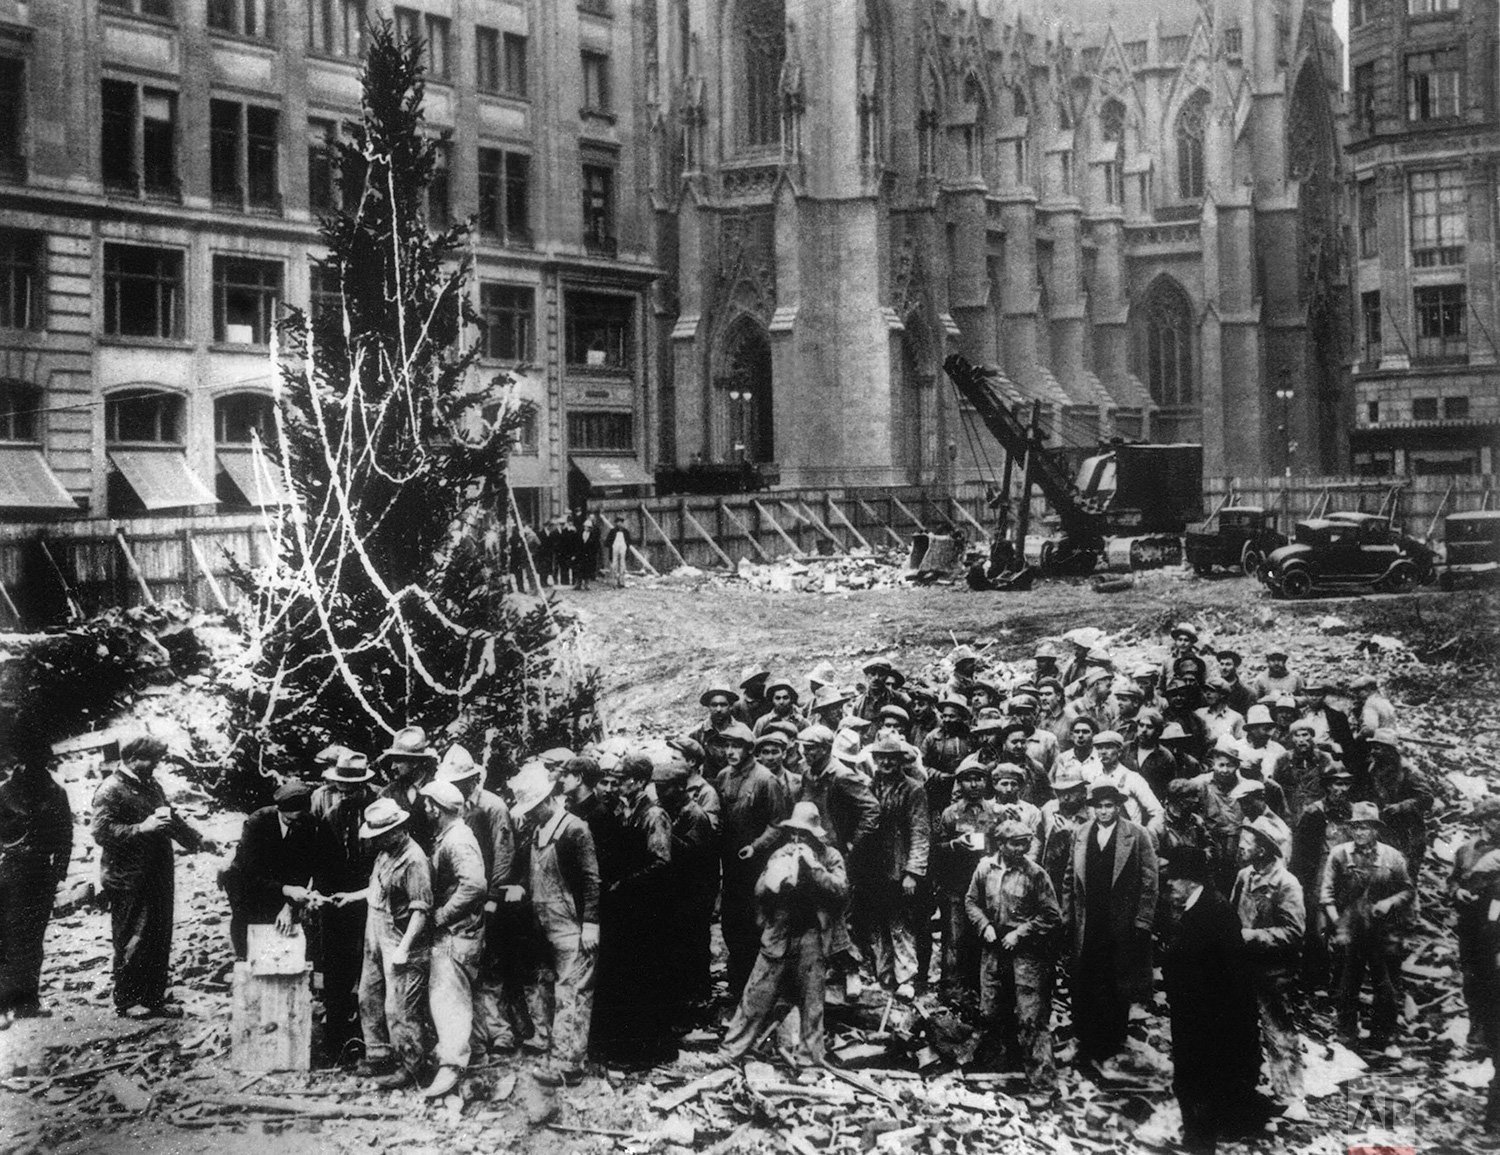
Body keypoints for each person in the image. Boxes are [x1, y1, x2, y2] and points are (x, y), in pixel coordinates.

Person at [92, 733, 212, 1019]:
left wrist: (196, 840)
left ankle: (153, 997)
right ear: (132, 759)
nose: (155, 765)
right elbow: (101, 832)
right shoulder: (109, 790)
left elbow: (169, 818)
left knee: (159, 936)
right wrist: (140, 828)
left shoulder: (150, 785)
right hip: (128, 878)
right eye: (150, 760)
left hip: (158, 874)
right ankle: (127, 1000)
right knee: (133, 938)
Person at [719, 802, 849, 1066]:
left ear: (815, 834)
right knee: (755, 995)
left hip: (812, 933)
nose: (798, 839)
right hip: (780, 930)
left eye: (804, 835)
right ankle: (730, 1051)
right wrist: (777, 875)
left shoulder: (829, 856)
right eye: (794, 834)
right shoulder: (781, 854)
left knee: (812, 1002)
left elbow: (841, 890)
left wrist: (814, 869)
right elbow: (759, 892)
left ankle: (809, 1059)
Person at [1160, 846, 1268, 1153]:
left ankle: (1199, 1139)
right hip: (1201, 1009)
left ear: (1191, 881)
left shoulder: (1211, 911)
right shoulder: (1204, 906)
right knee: (1201, 1073)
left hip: (1205, 1012)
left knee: (1197, 1074)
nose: (1169, 885)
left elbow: (1221, 970)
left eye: (1174, 880)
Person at [512, 760, 600, 1082]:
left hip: (572, 927)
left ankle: (568, 1065)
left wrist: (591, 923)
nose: (532, 814)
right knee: (556, 991)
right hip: (547, 925)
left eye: (535, 808)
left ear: (549, 799)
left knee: (573, 995)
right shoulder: (537, 832)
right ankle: (559, 1051)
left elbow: (592, 881)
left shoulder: (575, 829)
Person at [1062, 782, 1158, 1073]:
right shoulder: (1081, 833)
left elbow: (1150, 882)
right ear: (1092, 808)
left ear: (1118, 806)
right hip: (1087, 920)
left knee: (1116, 979)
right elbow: (1069, 877)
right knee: (1085, 976)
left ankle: (1113, 1040)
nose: (1104, 812)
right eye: (1099, 806)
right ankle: (1085, 1038)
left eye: (1109, 806)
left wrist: (1142, 920)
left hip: (1121, 922)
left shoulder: (1137, 835)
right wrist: (1068, 915)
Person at [434, 745, 522, 1059]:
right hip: (464, 900)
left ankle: (501, 1033)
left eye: (462, 782)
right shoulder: (453, 810)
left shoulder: (492, 806)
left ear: (473, 780)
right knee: (469, 968)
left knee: (492, 967)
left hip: (488, 899)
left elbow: (503, 856)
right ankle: (477, 1037)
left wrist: (494, 899)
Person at [965, 819, 1062, 1095]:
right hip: (994, 947)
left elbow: (1051, 915)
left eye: (1026, 842)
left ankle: (1043, 1085)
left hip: (1027, 953)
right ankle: (1002, 1071)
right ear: (1000, 845)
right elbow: (971, 901)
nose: (1022, 848)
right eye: (1015, 843)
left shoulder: (1035, 874)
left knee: (1031, 1016)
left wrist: (1020, 933)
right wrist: (983, 926)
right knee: (992, 1010)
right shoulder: (985, 868)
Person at [593, 753, 675, 1067]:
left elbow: (660, 863)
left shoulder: (653, 815)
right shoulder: (626, 810)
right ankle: (628, 1047)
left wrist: (623, 884)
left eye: (625, 779)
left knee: (645, 977)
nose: (618, 784)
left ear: (639, 782)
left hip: (648, 909)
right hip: (630, 908)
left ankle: (648, 1052)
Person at [348, 797, 433, 1089]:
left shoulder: (414, 859)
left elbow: (421, 909)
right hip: (376, 930)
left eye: (383, 835)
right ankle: (379, 1053)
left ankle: (411, 1067)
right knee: (368, 994)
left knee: (399, 1008)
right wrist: (350, 897)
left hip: (399, 936)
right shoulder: (385, 853)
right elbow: (378, 889)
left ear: (398, 829)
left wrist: (404, 948)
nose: (378, 840)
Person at [1320, 801, 1414, 1052]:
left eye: (1366, 828)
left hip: (1383, 929)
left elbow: (1407, 890)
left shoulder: (1392, 856)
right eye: (1356, 828)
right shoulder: (1339, 854)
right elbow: (1326, 895)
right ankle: (1346, 1034)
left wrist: (1388, 903)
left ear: (1376, 830)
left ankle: (1385, 1035)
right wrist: (1338, 923)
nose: (1360, 833)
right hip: (1351, 927)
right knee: (1347, 982)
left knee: (1385, 984)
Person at [1231, 825, 1308, 1120]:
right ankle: (1245, 1089)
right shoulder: (1244, 876)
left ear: (1262, 849)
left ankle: (1291, 1096)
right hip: (1242, 966)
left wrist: (1250, 937)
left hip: (1274, 971)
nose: (1239, 848)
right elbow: (1231, 912)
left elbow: (1294, 932)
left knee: (1279, 1032)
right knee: (1239, 1029)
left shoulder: (1287, 884)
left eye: (1245, 844)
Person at [418, 780, 487, 1099]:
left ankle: (452, 1065)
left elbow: (474, 885)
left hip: (457, 932)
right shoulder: (450, 836)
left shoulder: (458, 839)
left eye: (429, 805)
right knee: (459, 994)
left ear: (438, 808)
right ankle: (473, 1056)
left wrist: (441, 916)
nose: (426, 810)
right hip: (459, 930)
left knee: (449, 998)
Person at [715, 721, 792, 998]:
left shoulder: (765, 779)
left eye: (736, 746)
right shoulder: (724, 776)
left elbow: (778, 824)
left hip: (756, 864)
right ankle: (737, 984)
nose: (730, 751)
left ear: (750, 750)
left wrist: (756, 846)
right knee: (730, 923)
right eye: (727, 745)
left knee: (755, 923)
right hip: (732, 863)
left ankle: (757, 988)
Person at [310, 750, 378, 1062]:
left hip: (374, 901)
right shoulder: (332, 816)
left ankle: (372, 1040)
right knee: (336, 970)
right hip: (337, 903)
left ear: (364, 784)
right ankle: (335, 1041)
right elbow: (322, 863)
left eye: (352, 788)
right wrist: (325, 899)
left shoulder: (382, 810)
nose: (346, 793)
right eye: (342, 787)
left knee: (372, 971)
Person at [0, 741, 72, 1022]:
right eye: (27, 761)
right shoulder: (5, 793)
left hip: (40, 876)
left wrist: (59, 874)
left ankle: (28, 1001)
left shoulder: (56, 793)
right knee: (6, 939)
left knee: (32, 941)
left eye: (39, 762)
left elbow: (65, 836)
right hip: (8, 875)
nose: (31, 767)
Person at [222, 781, 326, 960]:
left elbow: (303, 869)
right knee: (248, 924)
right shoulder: (257, 823)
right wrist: (286, 890)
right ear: (279, 810)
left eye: (298, 820)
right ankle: (243, 958)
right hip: (245, 881)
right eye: (289, 820)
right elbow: (251, 871)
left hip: (281, 880)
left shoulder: (307, 824)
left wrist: (289, 905)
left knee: (281, 928)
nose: (294, 824)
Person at [652, 749, 717, 1025]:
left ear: (679, 788)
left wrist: (666, 838)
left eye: (663, 788)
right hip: (680, 891)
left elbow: (693, 854)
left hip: (696, 893)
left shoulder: (695, 815)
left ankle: (700, 1000)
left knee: (695, 946)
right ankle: (685, 999)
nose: (658, 793)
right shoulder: (673, 810)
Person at [862, 736, 930, 995]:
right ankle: (884, 974)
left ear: (902, 760)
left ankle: (906, 977)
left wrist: (913, 872)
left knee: (900, 924)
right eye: (881, 757)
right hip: (873, 868)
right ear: (875, 760)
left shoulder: (913, 789)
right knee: (876, 922)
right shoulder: (869, 786)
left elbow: (920, 831)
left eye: (892, 757)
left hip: (899, 867)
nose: (887, 762)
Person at [936, 760, 1003, 1002]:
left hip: (989, 886)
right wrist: (955, 844)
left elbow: (1005, 845)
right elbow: (938, 848)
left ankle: (982, 990)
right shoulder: (950, 813)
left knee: (985, 935)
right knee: (955, 937)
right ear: (960, 783)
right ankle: (952, 991)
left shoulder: (996, 812)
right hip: (957, 884)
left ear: (986, 782)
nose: (974, 784)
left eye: (979, 778)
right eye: (968, 779)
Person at [1289, 765, 1355, 992]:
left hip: (1346, 876)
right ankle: (1313, 980)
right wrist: (1302, 883)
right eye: (1337, 783)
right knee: (1318, 930)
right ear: (1327, 786)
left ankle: (1340, 983)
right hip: (1319, 876)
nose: (1342, 789)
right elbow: (1299, 851)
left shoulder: (1352, 812)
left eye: (1346, 784)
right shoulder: (1314, 812)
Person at [1451, 797, 1500, 1058]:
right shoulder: (1465, 851)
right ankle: (1476, 1032)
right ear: (1483, 821)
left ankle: (1493, 1036)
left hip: (1497, 923)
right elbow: (1453, 881)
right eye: (1496, 818)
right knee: (1472, 978)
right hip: (1470, 924)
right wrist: (1457, 892)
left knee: (1495, 977)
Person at [1366, 729, 1433, 877]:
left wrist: (1401, 807)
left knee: (1405, 875)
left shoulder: (1409, 771)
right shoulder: (1374, 768)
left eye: (1378, 748)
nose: (1373, 751)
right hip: (1385, 829)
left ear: (1390, 750)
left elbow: (1427, 798)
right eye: (1373, 747)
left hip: (1409, 832)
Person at [378, 726, 440, 853]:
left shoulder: (438, 791)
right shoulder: (387, 794)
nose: (393, 766)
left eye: (398, 761)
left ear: (415, 762)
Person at [1091, 730, 1162, 828]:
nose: (1103, 752)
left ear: (1119, 752)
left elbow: (1157, 812)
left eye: (1108, 747)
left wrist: (1145, 837)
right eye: (1099, 748)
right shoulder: (1093, 778)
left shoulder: (1132, 778)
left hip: (1129, 837)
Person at [1216, 650, 1256, 718]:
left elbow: (1246, 716)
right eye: (1221, 664)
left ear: (1236, 667)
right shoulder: (1213, 688)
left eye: (1228, 664)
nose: (1224, 668)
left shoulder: (1245, 692)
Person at [604, 516, 631, 588]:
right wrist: (611, 546)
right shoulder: (612, 531)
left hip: (623, 549)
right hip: (614, 549)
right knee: (614, 564)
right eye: (618, 523)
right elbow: (607, 542)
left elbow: (629, 542)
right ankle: (614, 582)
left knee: (622, 564)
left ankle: (621, 581)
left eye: (621, 523)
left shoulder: (626, 532)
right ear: (616, 523)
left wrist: (625, 548)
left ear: (622, 523)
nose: (619, 524)